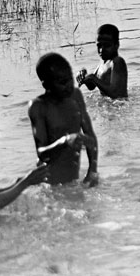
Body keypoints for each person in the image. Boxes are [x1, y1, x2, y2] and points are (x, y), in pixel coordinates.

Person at [28, 52, 99, 186]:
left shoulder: (75, 96)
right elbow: (42, 153)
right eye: (62, 82)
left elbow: (90, 135)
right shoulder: (38, 107)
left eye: (70, 78)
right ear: (46, 85)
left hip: (73, 178)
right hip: (51, 184)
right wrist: (64, 141)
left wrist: (92, 170)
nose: (69, 85)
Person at [77, 24, 128, 99]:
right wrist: (83, 76)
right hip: (109, 106)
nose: (101, 50)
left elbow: (116, 94)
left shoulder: (117, 62)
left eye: (107, 46)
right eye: (99, 46)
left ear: (116, 45)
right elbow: (92, 86)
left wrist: (93, 78)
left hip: (120, 106)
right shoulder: (102, 62)